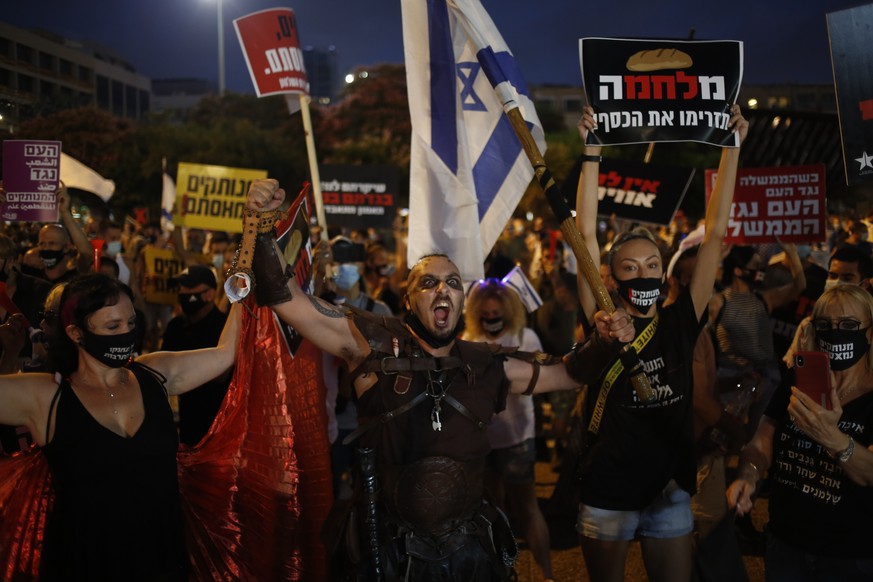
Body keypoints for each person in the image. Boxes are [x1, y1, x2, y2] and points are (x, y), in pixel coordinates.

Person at [240, 178, 635, 581]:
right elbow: (286, 299)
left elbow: (569, 373)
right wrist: (262, 223)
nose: (442, 289)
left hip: (470, 554)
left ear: (463, 300)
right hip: (386, 555)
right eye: (428, 283)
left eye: (452, 283)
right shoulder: (369, 342)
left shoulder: (486, 363)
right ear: (409, 300)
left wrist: (603, 343)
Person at [571, 104, 747, 582]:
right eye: (630, 266)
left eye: (653, 264)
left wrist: (730, 149)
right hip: (608, 485)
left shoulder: (682, 319)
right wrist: (592, 148)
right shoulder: (602, 318)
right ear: (611, 276)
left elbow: (714, 238)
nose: (644, 272)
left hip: (669, 488)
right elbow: (584, 234)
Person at [0, 272, 240, 580]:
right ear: (75, 332)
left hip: (162, 560)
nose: (126, 334)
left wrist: (243, 282)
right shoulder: (45, 397)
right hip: (84, 564)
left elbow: (226, 354)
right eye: (113, 326)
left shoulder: (155, 374)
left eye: (130, 324)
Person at [727, 284, 873, 581]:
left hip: (849, 554)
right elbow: (763, 440)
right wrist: (749, 475)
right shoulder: (799, 379)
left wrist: (832, 438)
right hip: (786, 542)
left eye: (848, 325)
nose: (836, 333)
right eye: (825, 326)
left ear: (870, 331)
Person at [463, 278, 555, 582]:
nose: (491, 320)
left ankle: (547, 575)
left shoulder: (525, 337)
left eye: (497, 315)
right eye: (486, 315)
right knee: (493, 512)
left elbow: (540, 383)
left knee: (527, 509)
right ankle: (502, 572)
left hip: (517, 438)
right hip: (483, 440)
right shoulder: (469, 338)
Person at [162, 264, 232, 446]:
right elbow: (164, 372)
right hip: (188, 425)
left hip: (222, 425)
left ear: (209, 294)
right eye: (181, 288)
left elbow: (220, 374)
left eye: (189, 288)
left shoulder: (225, 328)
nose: (183, 293)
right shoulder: (175, 327)